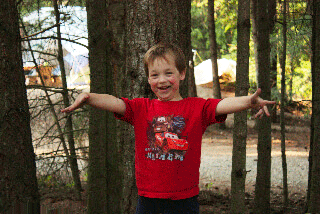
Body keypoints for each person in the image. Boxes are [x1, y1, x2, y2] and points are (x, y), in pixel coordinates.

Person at [61, 43, 275, 214]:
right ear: (148, 79)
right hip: (148, 199)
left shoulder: (196, 107)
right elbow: (115, 102)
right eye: (155, 75)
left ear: (182, 74)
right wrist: (89, 97)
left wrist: (249, 101)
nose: (162, 80)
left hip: (185, 200)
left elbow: (222, 105)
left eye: (168, 73)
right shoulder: (141, 108)